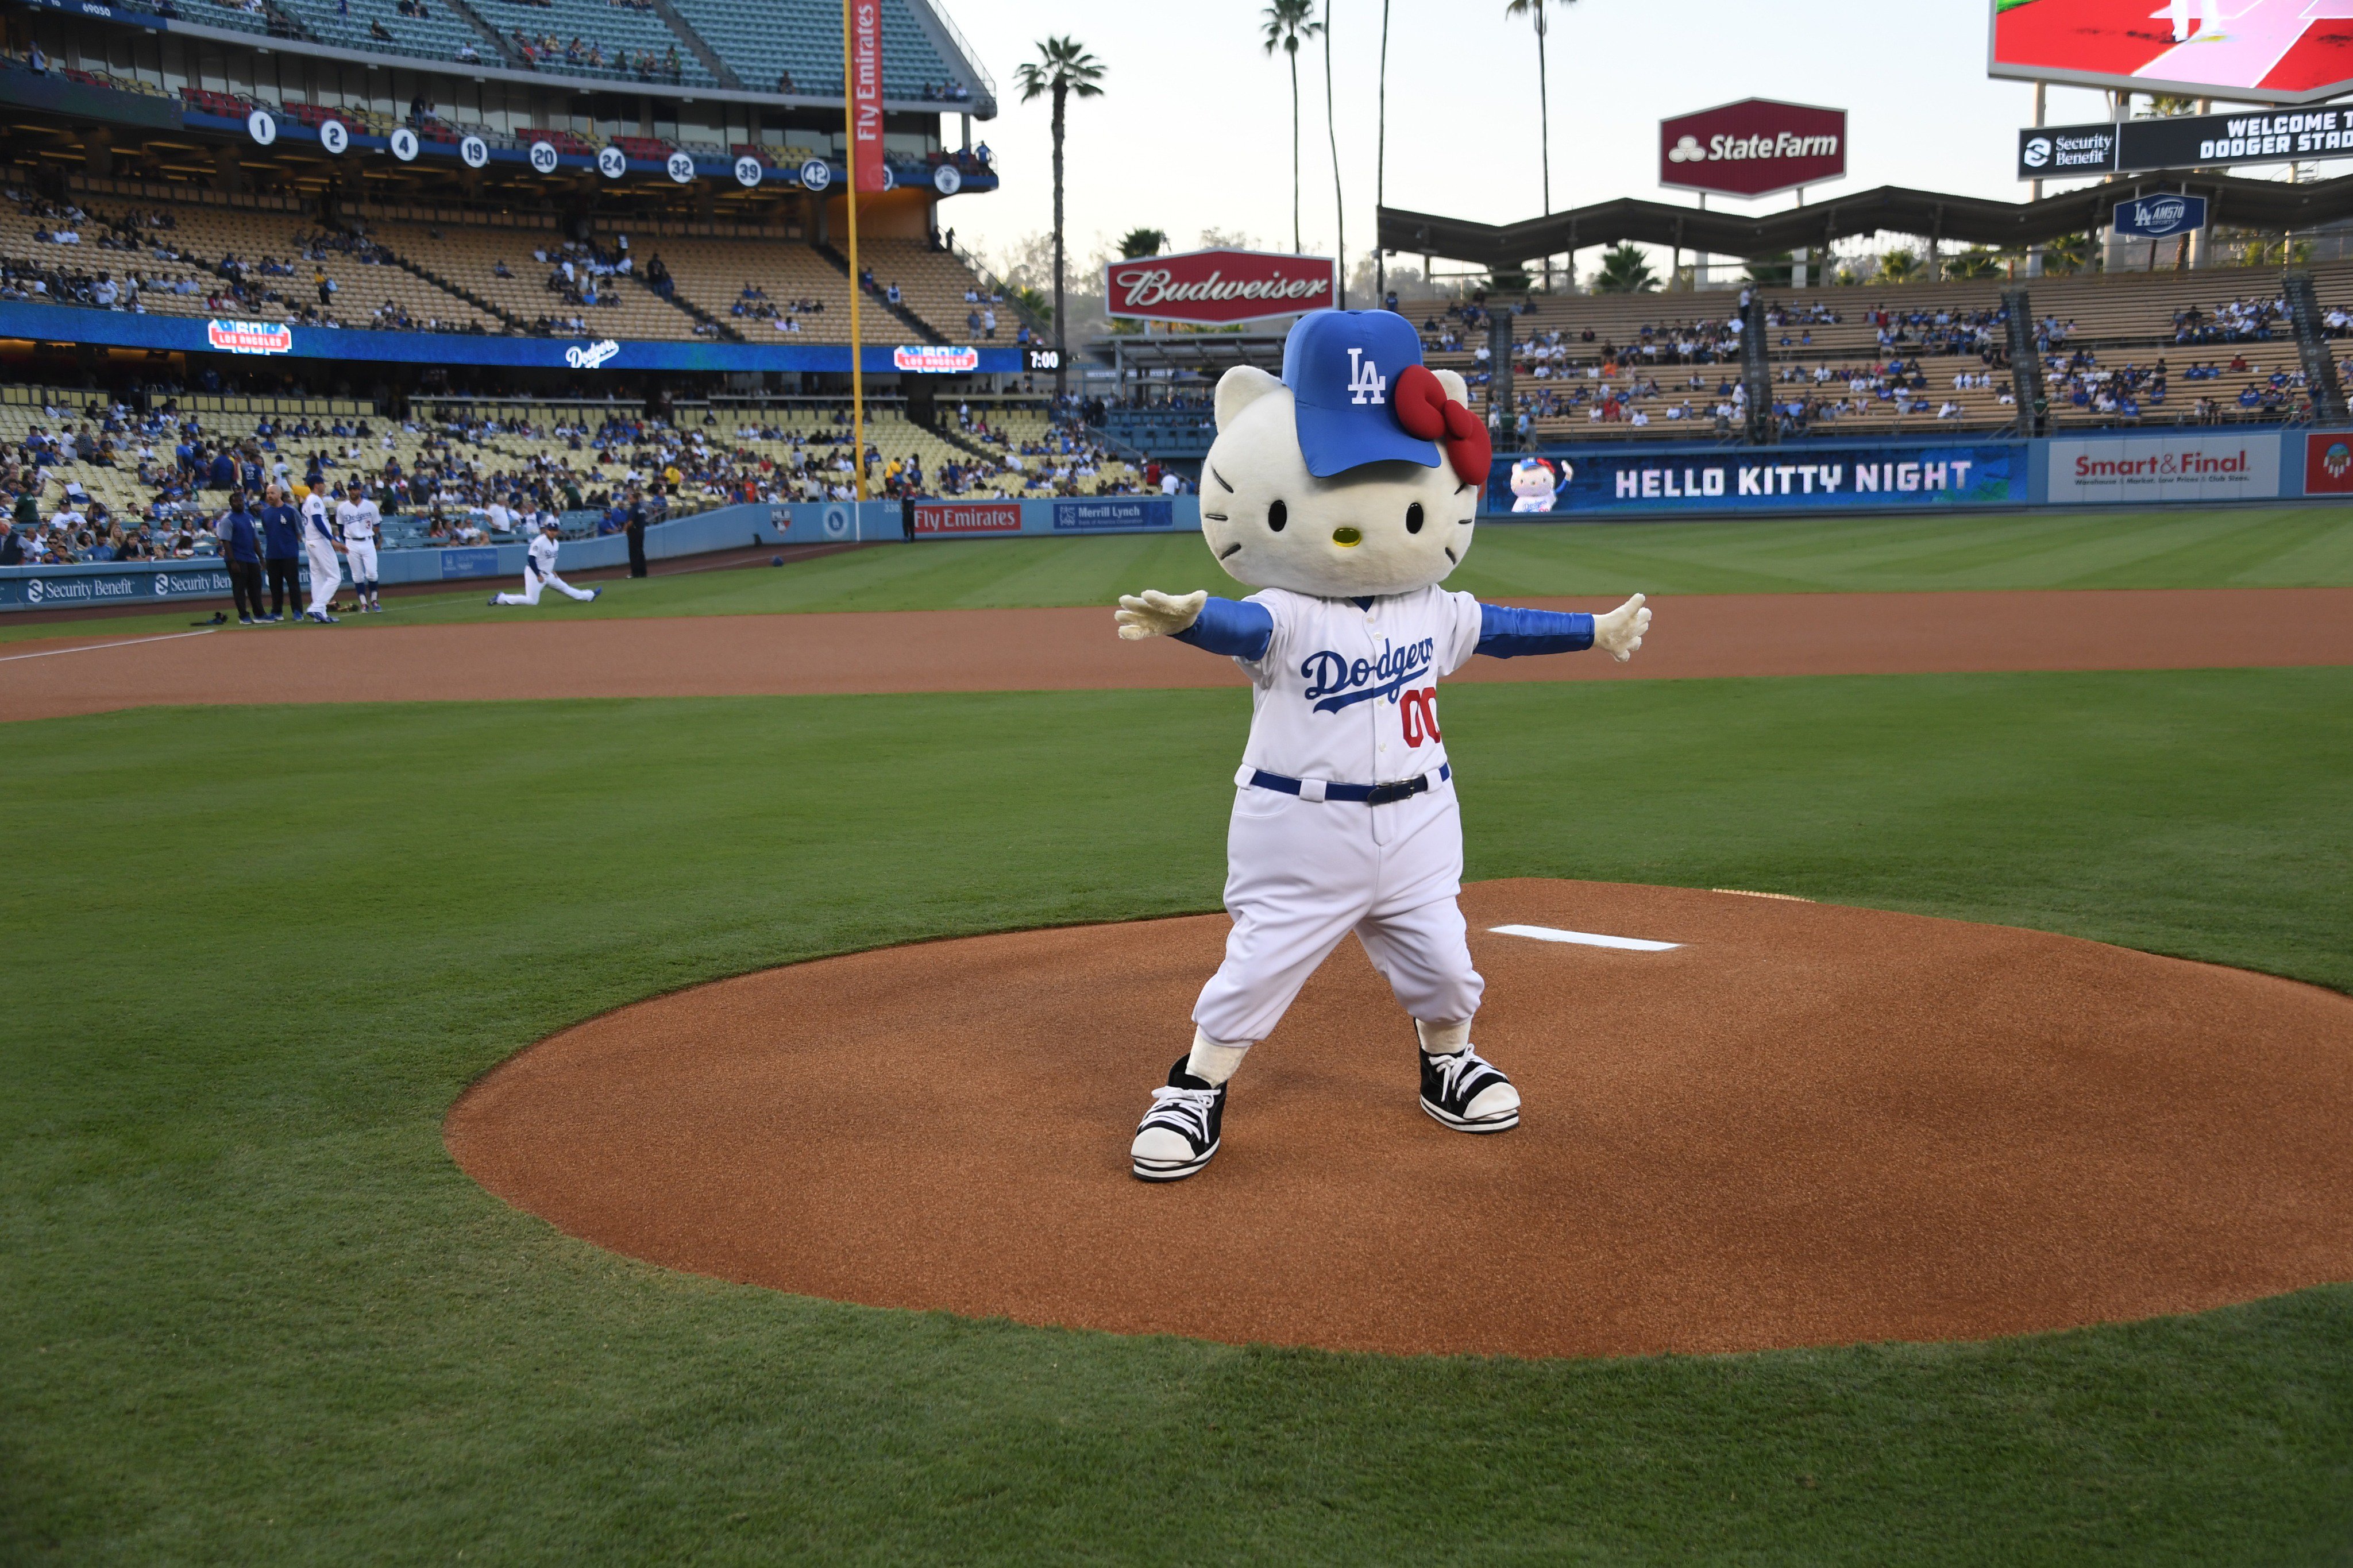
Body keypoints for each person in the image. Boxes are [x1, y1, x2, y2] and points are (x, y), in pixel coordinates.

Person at [489, 518, 600, 607]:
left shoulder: (556, 543)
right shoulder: (539, 541)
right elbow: (531, 559)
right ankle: (501, 598)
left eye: (554, 530)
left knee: (566, 588)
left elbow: (549, 559)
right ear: (546, 530)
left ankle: (590, 595)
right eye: (550, 530)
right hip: (534, 573)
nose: (552, 532)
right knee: (532, 601)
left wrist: (552, 570)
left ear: (557, 532)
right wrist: (538, 574)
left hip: (548, 574)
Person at [256, 482, 304, 623]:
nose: (270, 496)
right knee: (275, 585)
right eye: (268, 493)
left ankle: (297, 611)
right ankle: (277, 611)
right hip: (272, 554)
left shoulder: (291, 511)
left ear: (280, 494)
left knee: (293, 584)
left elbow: (299, 532)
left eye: (272, 493)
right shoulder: (265, 513)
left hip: (289, 554)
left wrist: (289, 545)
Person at [218, 492, 267, 625]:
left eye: (241, 501)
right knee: (239, 588)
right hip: (237, 558)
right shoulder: (228, 519)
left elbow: (255, 539)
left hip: (251, 558)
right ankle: (243, 615)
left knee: (256, 587)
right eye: (236, 501)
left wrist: (261, 558)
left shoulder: (250, 517)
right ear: (231, 504)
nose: (239, 503)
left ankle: (259, 614)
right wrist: (233, 561)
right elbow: (226, 542)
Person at [334, 478, 382, 612]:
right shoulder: (342, 507)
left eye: (355, 489)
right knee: (357, 576)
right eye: (351, 489)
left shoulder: (371, 506)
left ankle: (374, 600)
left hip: (367, 541)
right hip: (351, 543)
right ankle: (363, 603)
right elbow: (341, 527)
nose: (353, 492)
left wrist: (370, 535)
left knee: (372, 574)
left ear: (360, 490)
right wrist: (346, 542)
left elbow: (377, 525)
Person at [300, 481, 340, 622]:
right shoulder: (315, 499)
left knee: (318, 578)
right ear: (317, 485)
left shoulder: (308, 500)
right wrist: (331, 538)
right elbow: (317, 520)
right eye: (323, 483)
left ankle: (320, 614)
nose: (324, 485)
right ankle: (317, 607)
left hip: (311, 541)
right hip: (320, 541)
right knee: (335, 577)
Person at [623, 484, 649, 577]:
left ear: (635, 499)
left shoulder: (634, 509)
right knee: (640, 551)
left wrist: (625, 530)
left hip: (635, 532)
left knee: (634, 552)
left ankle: (635, 573)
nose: (629, 501)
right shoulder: (641, 508)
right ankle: (643, 572)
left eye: (630, 499)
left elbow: (630, 522)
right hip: (641, 531)